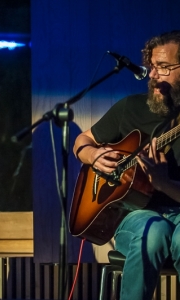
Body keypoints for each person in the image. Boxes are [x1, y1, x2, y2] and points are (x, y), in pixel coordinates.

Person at [73, 30, 180, 300]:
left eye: (164, 68)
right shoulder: (130, 108)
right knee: (153, 232)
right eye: (152, 66)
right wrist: (93, 155)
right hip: (134, 215)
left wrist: (164, 183)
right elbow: (83, 140)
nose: (153, 75)